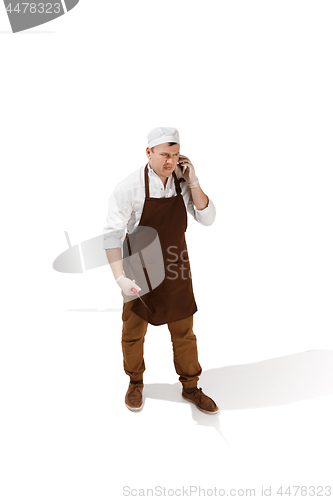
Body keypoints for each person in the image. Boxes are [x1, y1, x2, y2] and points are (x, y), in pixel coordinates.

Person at [103, 127, 218, 414]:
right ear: (149, 153)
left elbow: (208, 217)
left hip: (177, 266)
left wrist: (194, 181)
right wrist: (120, 277)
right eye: (165, 154)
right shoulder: (129, 187)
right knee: (133, 332)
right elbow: (111, 236)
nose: (171, 161)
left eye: (176, 154)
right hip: (139, 270)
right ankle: (135, 381)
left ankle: (191, 386)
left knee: (184, 333)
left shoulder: (182, 181)